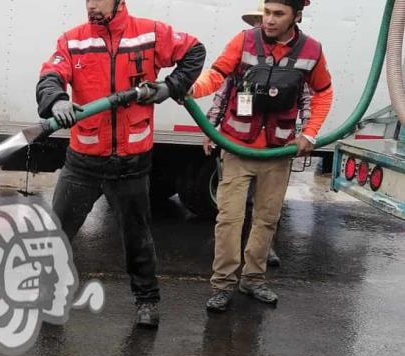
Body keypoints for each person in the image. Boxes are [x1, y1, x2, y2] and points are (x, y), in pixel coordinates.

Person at [36, 0, 205, 328]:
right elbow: (51, 75)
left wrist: (170, 87)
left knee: (137, 237)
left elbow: (195, 50)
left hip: (131, 160)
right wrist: (56, 100)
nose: (92, 5)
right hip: (83, 160)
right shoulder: (73, 40)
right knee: (57, 233)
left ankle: (147, 301)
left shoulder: (150, 34)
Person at [191, 0, 333, 312]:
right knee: (228, 219)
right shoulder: (243, 41)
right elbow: (217, 77)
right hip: (237, 147)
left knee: (267, 219)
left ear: (296, 16)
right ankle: (223, 284)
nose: (269, 20)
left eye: (278, 14)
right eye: (267, 12)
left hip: (278, 151)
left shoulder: (311, 51)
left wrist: (309, 133)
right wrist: (190, 90)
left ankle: (253, 279)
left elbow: (322, 92)